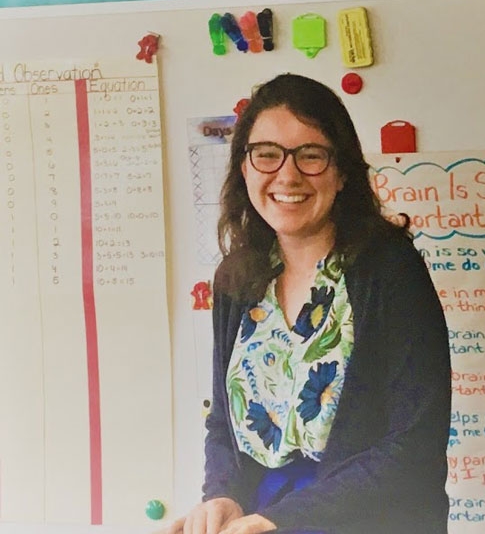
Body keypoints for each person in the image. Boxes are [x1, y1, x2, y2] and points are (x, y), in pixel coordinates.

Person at [168, 74, 451, 534]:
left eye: (311, 155)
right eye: (266, 154)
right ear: (245, 168)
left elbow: (414, 444)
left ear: (341, 174)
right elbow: (224, 423)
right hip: (265, 517)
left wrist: (283, 520)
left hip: (369, 520)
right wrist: (221, 495)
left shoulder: (389, 270)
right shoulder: (236, 279)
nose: (287, 174)